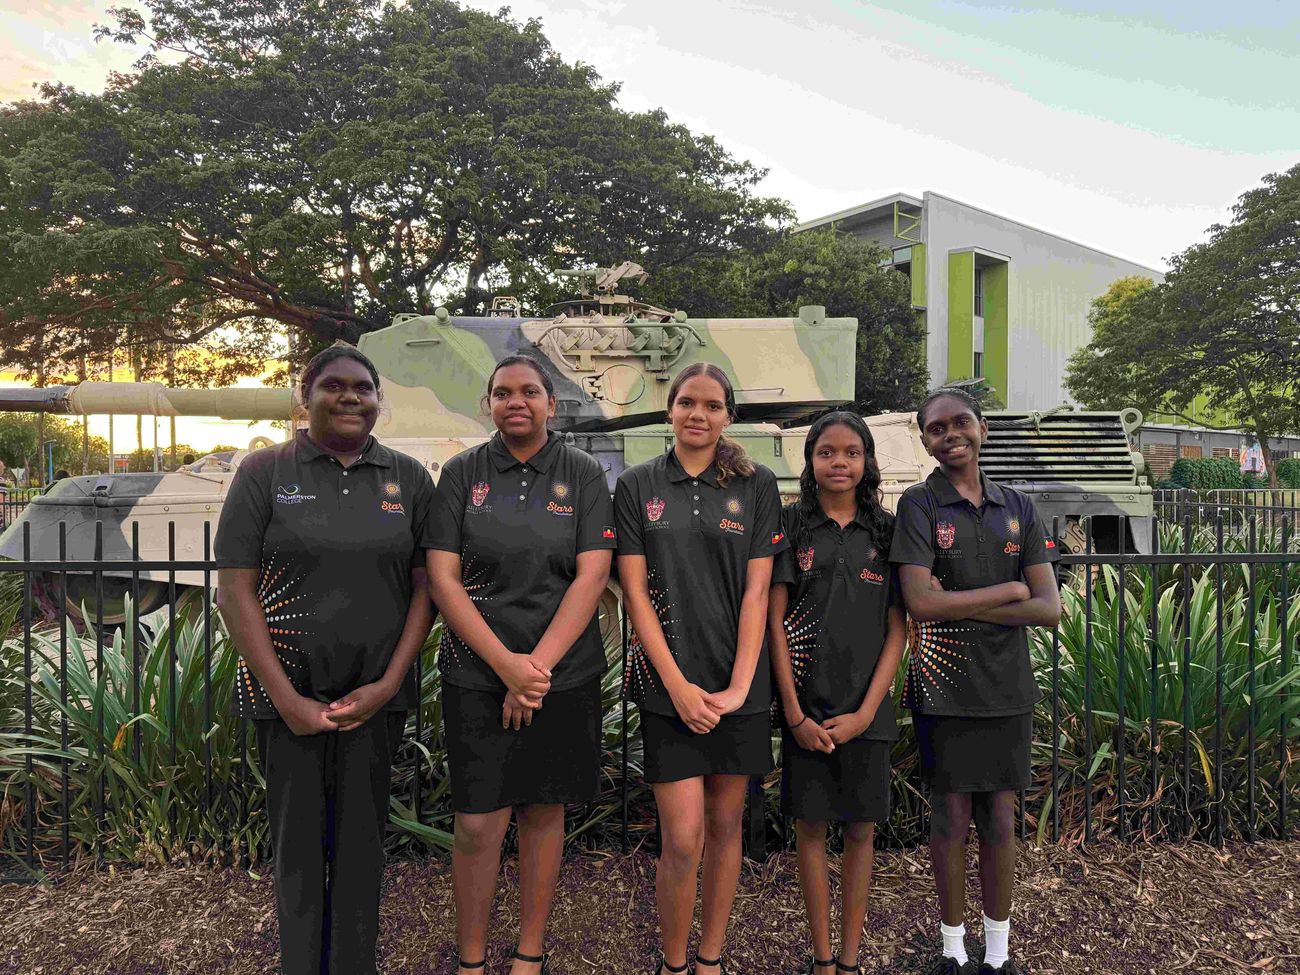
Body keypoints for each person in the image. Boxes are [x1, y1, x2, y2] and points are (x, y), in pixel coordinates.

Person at [215, 345, 436, 975]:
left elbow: (427, 589)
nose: (349, 398)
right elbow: (234, 591)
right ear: (304, 396)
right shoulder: (264, 472)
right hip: (288, 696)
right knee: (298, 849)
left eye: (363, 388)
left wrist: (388, 684)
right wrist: (289, 701)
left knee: (364, 845)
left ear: (378, 400)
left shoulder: (408, 478)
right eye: (333, 386)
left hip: (375, 698)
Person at [426, 354, 615, 975]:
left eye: (530, 392)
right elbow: (444, 578)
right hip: (477, 673)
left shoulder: (582, 472)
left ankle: (530, 952)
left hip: (564, 674)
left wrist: (533, 671)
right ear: (489, 404)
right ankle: (471, 960)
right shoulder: (463, 473)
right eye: (503, 393)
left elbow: (592, 576)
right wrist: (506, 666)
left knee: (542, 812)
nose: (516, 402)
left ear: (550, 404)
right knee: (479, 824)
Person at [615, 362, 788, 975]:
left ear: (728, 416)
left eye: (712, 405)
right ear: (670, 409)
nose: (698, 414)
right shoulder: (637, 485)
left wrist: (739, 687)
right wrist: (678, 687)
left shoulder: (757, 485)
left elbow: (758, 592)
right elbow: (635, 595)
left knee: (725, 827)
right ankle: (674, 962)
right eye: (688, 402)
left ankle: (710, 959)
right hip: (668, 689)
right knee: (683, 838)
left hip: (738, 687)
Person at [889, 388, 1061, 975]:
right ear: (925, 441)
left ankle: (998, 953)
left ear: (982, 428)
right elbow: (919, 602)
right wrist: (1009, 590)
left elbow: (1048, 608)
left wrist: (961, 602)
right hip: (943, 687)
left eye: (960, 422)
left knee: (1000, 821)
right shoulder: (920, 505)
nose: (950, 435)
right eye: (936, 429)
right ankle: (953, 949)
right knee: (950, 819)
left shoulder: (1018, 506)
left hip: (1008, 689)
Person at [768, 411, 906, 975]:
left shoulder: (888, 531)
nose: (839, 462)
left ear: (867, 460)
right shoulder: (790, 526)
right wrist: (794, 715)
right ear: (810, 460)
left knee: (860, 832)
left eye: (852, 452)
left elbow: (898, 628)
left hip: (865, 714)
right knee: (810, 829)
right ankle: (823, 960)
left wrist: (866, 713)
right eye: (826, 452)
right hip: (807, 711)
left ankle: (850, 961)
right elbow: (773, 622)